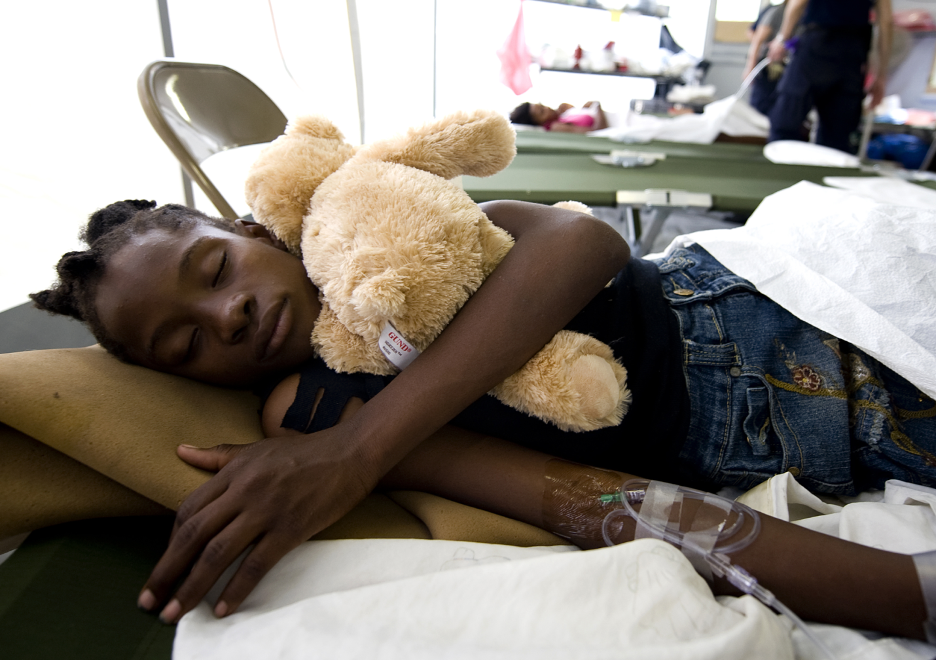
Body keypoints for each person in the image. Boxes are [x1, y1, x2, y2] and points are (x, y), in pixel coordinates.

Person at [31, 199, 936, 639]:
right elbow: (572, 496)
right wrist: (903, 594)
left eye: (216, 269)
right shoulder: (310, 409)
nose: (223, 317)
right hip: (802, 429)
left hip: (772, 295)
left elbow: (583, 242)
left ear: (255, 230)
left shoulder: (379, 219)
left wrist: (360, 452)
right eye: (185, 348)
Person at [766, 0, 893, 153]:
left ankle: (781, 171)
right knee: (836, 136)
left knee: (785, 123)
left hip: (817, 46)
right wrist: (881, 76)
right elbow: (886, 22)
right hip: (853, 54)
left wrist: (782, 39)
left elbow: (798, 3)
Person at [743, 2, 789, 117]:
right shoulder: (777, 12)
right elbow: (756, 39)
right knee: (760, 107)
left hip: (784, 68)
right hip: (766, 67)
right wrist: (750, 68)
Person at [509, 100, 608, 133]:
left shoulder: (561, 118)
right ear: (536, 123)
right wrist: (597, 105)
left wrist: (581, 108)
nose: (547, 108)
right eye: (542, 112)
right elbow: (599, 131)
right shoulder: (556, 127)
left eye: (543, 106)